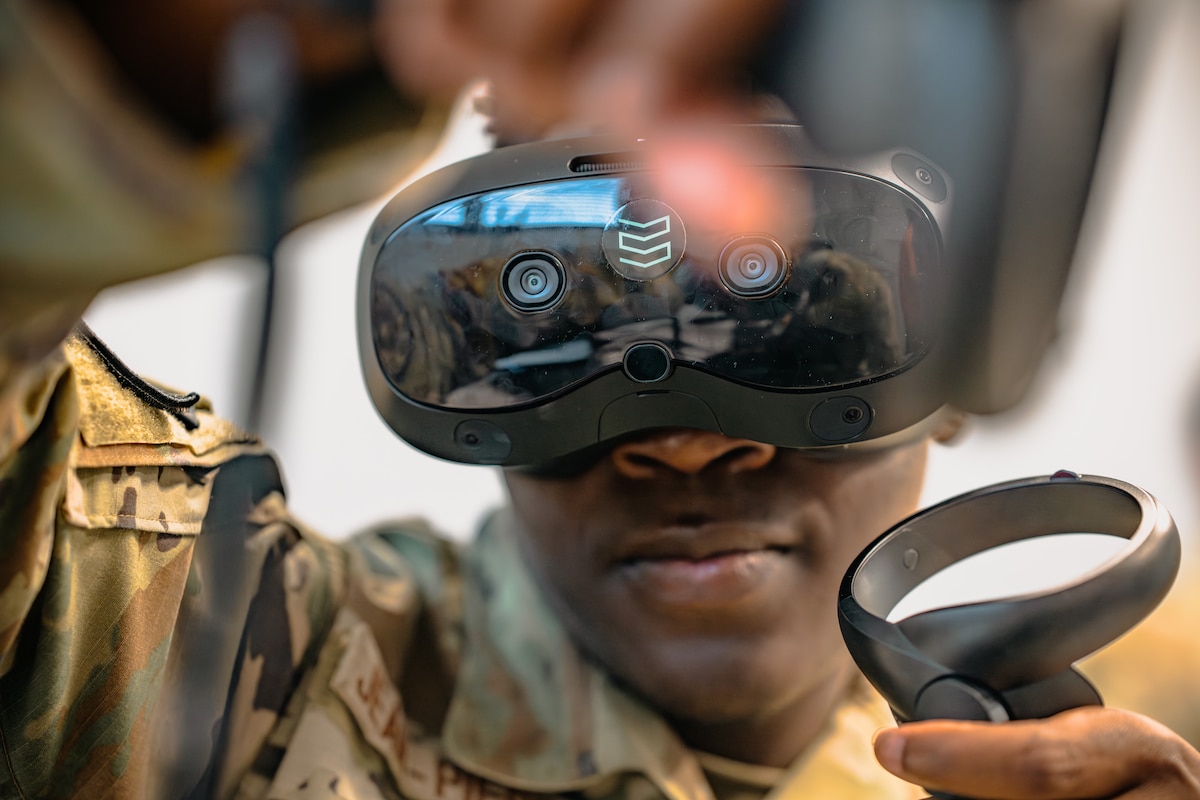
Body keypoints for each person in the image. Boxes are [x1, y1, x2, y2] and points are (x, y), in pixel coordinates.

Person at [3, 2, 1200, 799]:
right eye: (561, 320)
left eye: (791, 310)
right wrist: (175, 45)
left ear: (940, 376)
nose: (682, 443)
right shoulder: (213, 665)